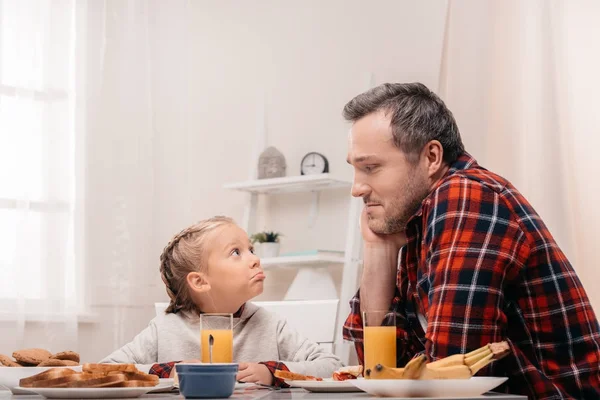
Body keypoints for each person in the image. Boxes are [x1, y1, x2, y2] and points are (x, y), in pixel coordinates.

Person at [341, 82, 600, 398]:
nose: (357, 188)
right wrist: (377, 249)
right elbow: (383, 373)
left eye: (370, 168)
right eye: (355, 170)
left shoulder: (465, 196)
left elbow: (450, 380)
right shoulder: (420, 226)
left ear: (432, 157)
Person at [101, 216, 343, 386]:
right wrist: (168, 371)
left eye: (251, 249)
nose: (255, 259)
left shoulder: (270, 325)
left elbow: (331, 365)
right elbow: (106, 369)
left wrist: (272, 372)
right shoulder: (165, 328)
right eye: (236, 252)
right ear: (200, 282)